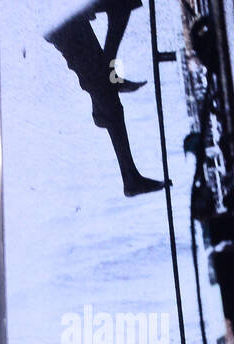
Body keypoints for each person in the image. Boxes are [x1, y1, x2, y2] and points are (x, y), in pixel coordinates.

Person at [44, 0, 167, 197]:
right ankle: (130, 179)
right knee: (107, 96)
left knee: (122, 5)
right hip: (61, 21)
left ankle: (106, 77)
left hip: (64, 14)